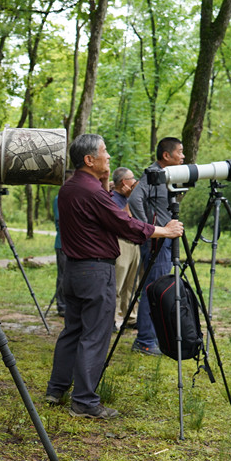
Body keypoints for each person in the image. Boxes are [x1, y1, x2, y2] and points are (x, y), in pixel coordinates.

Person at [45, 134, 183, 419]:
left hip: (73, 271)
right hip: (95, 271)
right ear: (89, 159)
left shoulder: (71, 188)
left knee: (72, 330)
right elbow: (124, 223)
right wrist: (164, 231)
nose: (108, 157)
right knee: (95, 334)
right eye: (104, 152)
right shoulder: (92, 192)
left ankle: (56, 389)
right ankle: (84, 402)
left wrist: (105, 182)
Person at [128, 137, 185, 355]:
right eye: (179, 152)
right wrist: (148, 230)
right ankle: (145, 341)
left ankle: (152, 338)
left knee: (158, 287)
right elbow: (134, 199)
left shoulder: (168, 175)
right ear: (166, 155)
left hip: (167, 238)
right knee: (153, 289)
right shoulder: (152, 175)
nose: (183, 156)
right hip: (158, 241)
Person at [110, 167, 140, 330]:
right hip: (120, 243)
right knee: (117, 283)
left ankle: (131, 317)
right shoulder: (112, 198)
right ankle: (111, 319)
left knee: (132, 284)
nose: (135, 182)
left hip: (134, 244)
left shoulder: (130, 198)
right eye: (132, 179)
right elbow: (122, 220)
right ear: (124, 182)